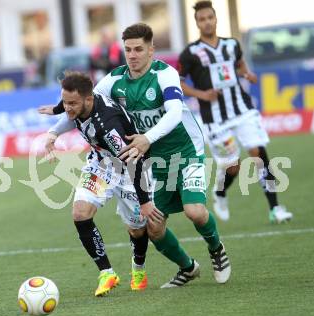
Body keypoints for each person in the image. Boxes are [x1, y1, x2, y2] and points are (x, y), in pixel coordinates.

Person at [94, 23, 231, 286]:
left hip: (185, 150)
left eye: (138, 49)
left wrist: (146, 138)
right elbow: (90, 101)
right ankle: (188, 268)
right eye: (128, 50)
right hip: (153, 162)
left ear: (151, 50)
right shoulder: (114, 80)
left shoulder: (164, 74)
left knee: (195, 212)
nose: (132, 55)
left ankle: (216, 249)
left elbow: (174, 113)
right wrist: (59, 122)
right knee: (153, 227)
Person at [39, 71, 194, 296]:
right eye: (65, 102)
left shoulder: (108, 126)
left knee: (137, 229)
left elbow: (134, 161)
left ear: (88, 99)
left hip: (130, 168)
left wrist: (144, 202)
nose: (67, 107)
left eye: (72, 103)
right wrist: (54, 123)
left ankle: (138, 269)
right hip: (101, 164)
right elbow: (69, 107)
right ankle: (107, 273)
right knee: (80, 213)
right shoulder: (81, 103)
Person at [178, 1, 293, 224]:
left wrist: (247, 74)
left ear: (215, 18)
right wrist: (202, 95)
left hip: (242, 110)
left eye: (210, 17)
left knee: (258, 153)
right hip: (215, 118)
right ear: (197, 23)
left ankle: (276, 208)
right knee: (233, 168)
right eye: (202, 19)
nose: (207, 22)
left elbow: (240, 64)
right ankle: (220, 192)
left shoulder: (231, 44)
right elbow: (179, 84)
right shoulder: (190, 53)